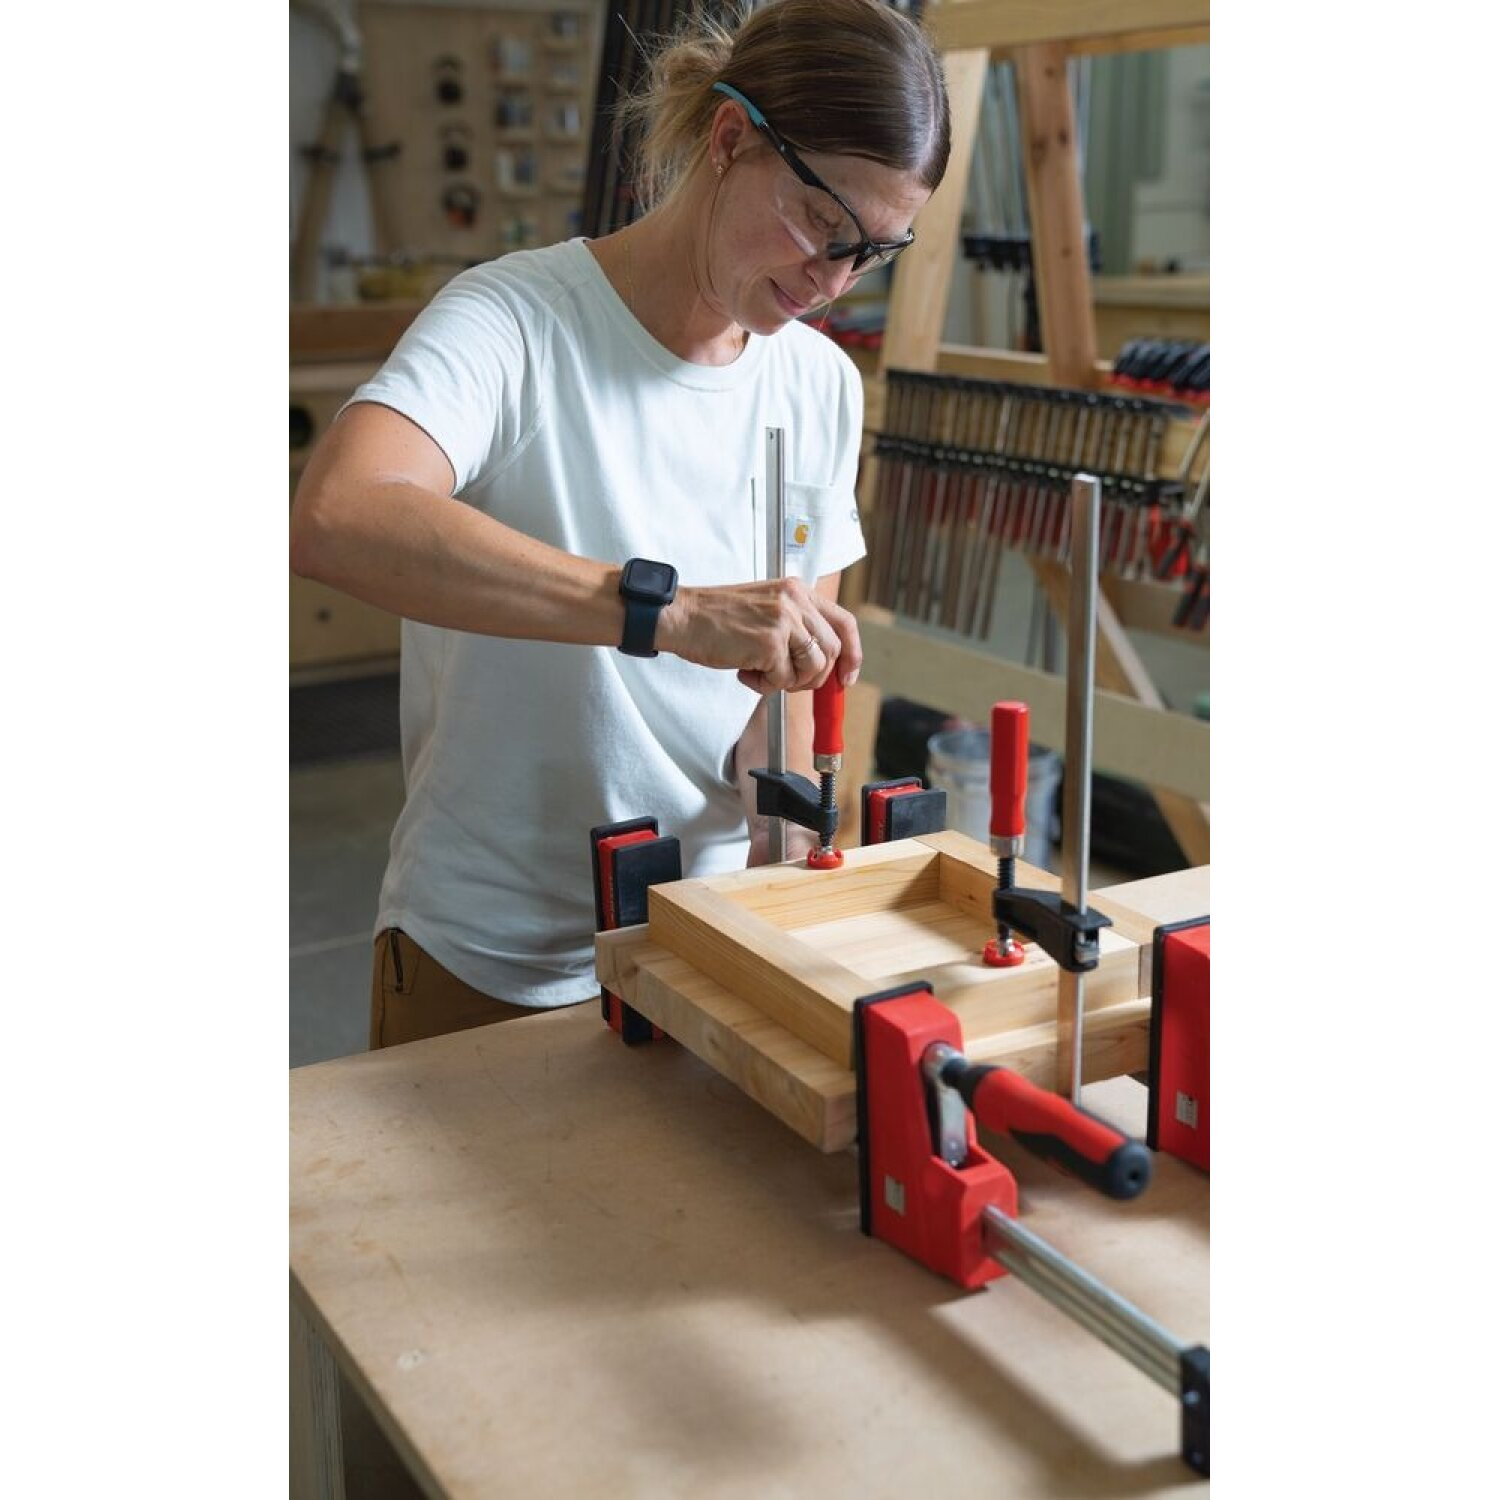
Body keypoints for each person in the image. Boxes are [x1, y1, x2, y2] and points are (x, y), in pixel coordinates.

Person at [289, 0, 952, 1048]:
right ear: (729, 139)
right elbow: (338, 515)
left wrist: (779, 813)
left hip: (704, 943)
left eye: (871, 252)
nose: (831, 283)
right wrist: (668, 613)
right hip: (497, 956)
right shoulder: (514, 321)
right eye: (820, 225)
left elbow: (775, 691)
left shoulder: (820, 385)